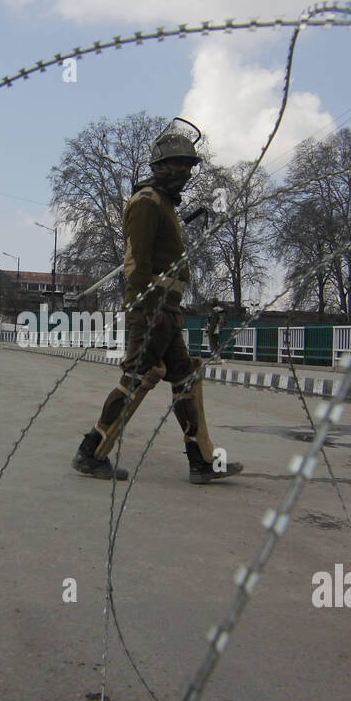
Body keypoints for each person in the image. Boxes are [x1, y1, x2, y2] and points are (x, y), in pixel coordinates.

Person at [72, 119, 243, 484]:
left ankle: (201, 459)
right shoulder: (146, 203)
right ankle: (91, 451)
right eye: (178, 163)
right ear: (158, 166)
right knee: (137, 378)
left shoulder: (163, 204)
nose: (185, 170)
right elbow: (136, 264)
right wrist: (148, 310)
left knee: (185, 376)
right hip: (152, 311)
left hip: (167, 310)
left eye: (189, 165)